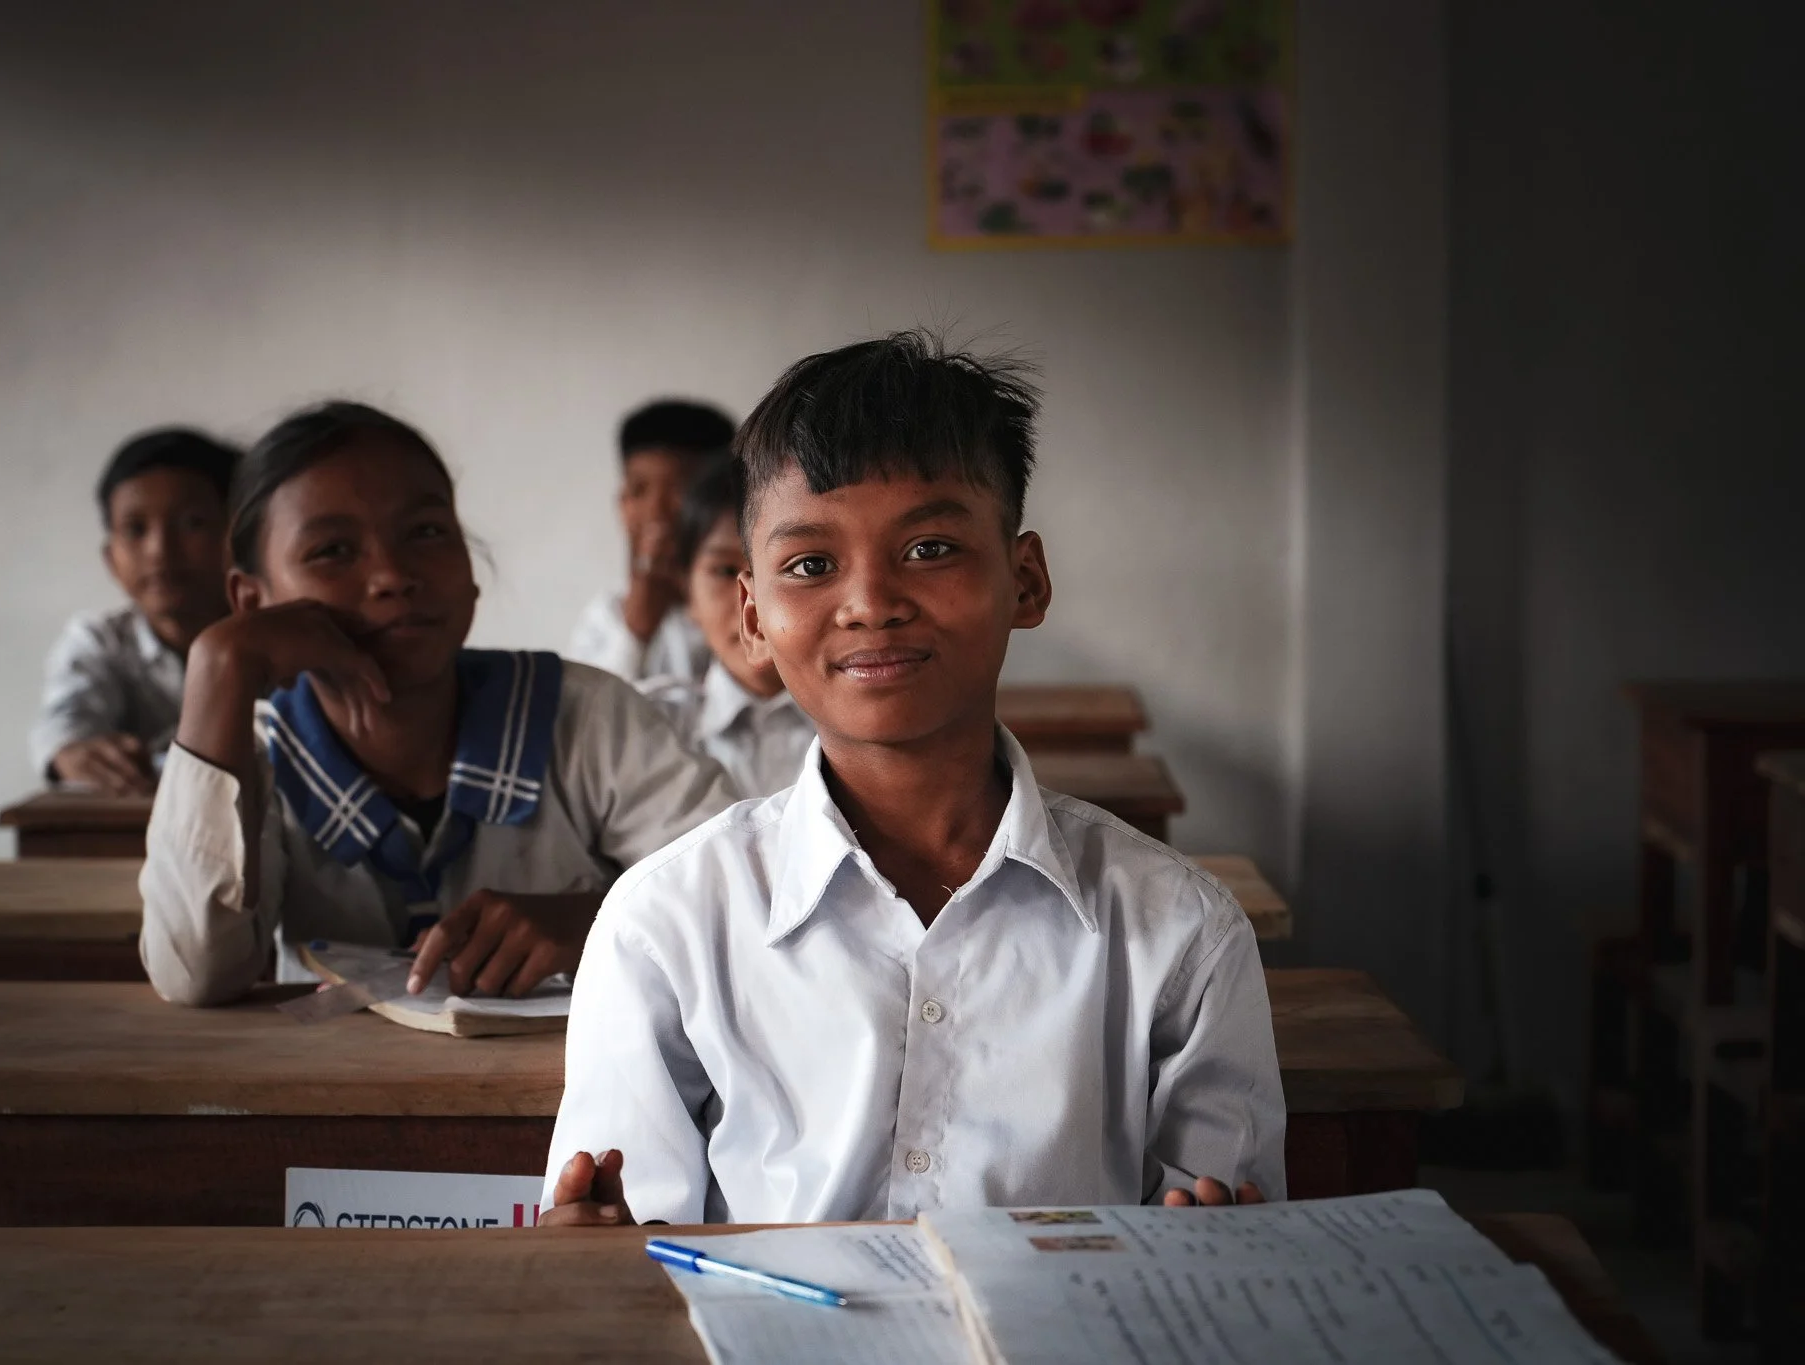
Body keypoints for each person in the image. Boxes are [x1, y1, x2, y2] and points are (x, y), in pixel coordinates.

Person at [541, 332, 1284, 1225]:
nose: (869, 601)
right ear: (751, 618)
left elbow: (1228, 1246)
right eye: (811, 565)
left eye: (929, 548)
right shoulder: (666, 922)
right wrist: (596, 1247)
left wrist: (1216, 1246)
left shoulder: (1181, 933)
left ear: (1026, 580)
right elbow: (633, 1247)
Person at [138, 401, 736, 1007]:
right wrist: (218, 669)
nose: (391, 575)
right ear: (252, 600)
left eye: (425, 532)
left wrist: (594, 920)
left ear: (469, 567)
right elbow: (196, 972)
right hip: (330, 1093)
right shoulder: (257, 752)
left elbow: (737, 893)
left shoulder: (583, 715)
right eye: (333, 551)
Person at [30, 428, 240, 794]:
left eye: (193, 523)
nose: (160, 550)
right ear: (110, 558)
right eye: (135, 529)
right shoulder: (100, 641)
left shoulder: (277, 637)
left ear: (237, 537)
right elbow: (65, 723)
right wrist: (72, 753)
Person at [635, 457, 815, 798]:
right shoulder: (650, 727)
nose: (753, 602)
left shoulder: (868, 722)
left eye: (797, 566)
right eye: (723, 571)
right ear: (687, 592)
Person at [563, 399, 735, 683]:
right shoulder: (604, 619)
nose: (656, 512)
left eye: (680, 489)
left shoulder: (749, 607)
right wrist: (636, 628)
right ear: (621, 503)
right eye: (639, 490)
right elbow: (587, 718)